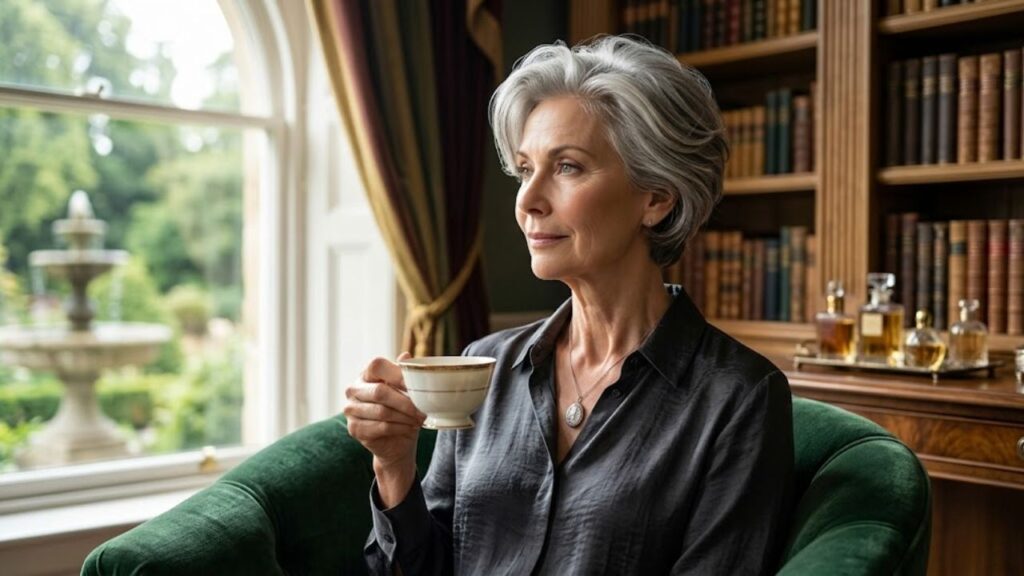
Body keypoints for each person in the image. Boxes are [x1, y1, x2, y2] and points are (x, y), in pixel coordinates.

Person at [345, 35, 794, 575]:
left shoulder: (738, 398)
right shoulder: (480, 367)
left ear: (655, 197)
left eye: (567, 168)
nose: (528, 200)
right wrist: (394, 467)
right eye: (524, 168)